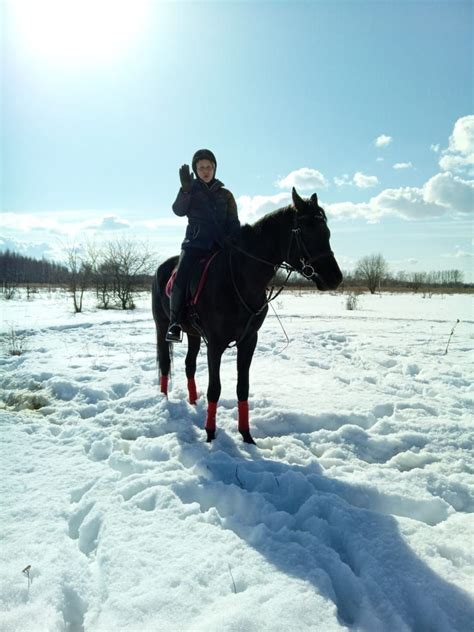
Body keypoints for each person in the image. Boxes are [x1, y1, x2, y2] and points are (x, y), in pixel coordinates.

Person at [166, 149, 241, 342]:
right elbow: (178, 210)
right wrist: (185, 190)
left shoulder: (226, 195)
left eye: (209, 167)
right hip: (195, 245)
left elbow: (233, 221)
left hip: (221, 246)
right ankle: (174, 323)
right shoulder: (190, 190)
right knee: (182, 275)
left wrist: (233, 238)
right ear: (196, 170)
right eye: (201, 168)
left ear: (215, 168)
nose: (205, 171)